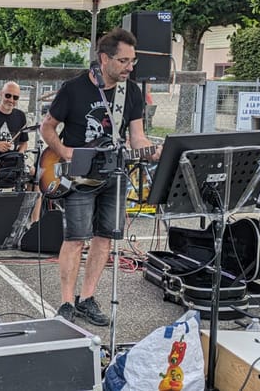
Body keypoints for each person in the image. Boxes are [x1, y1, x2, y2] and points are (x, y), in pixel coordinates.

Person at [40, 28, 160, 326]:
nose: (129, 67)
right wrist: (64, 151)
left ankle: (87, 297)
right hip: (80, 176)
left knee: (104, 238)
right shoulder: (74, 88)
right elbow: (47, 128)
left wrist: (157, 151)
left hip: (114, 174)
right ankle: (67, 302)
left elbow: (137, 138)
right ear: (104, 58)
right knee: (75, 238)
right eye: (123, 61)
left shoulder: (131, 92)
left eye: (132, 61)